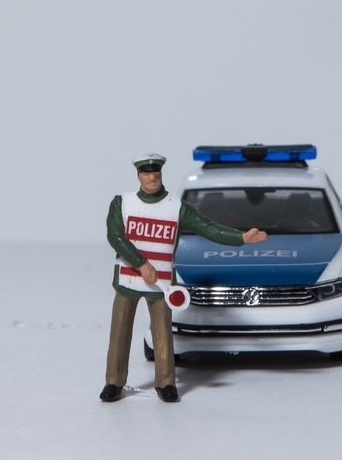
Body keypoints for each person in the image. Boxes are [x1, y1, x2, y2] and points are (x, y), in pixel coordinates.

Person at [99, 153, 267, 403]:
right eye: (146, 174)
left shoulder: (176, 206)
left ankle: (166, 382)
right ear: (139, 176)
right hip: (128, 279)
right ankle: (114, 381)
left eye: (156, 173)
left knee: (163, 333)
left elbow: (207, 228)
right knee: (119, 332)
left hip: (163, 284)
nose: (152, 178)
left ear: (161, 174)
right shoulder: (122, 202)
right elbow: (115, 236)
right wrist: (141, 263)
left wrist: (240, 238)